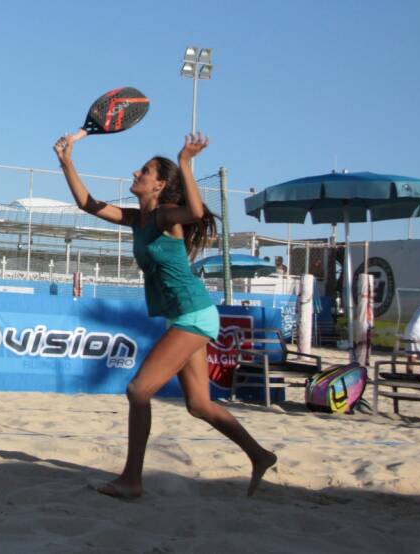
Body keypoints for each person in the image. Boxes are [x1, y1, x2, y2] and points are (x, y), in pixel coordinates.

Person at [54, 131, 276, 499]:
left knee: (138, 390)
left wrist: (186, 162)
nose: (136, 173)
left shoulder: (164, 218)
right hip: (183, 316)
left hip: (194, 314)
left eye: (144, 170)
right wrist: (67, 162)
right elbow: (87, 204)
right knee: (200, 405)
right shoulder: (138, 219)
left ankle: (131, 481)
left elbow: (196, 213)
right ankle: (260, 455)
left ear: (159, 185)